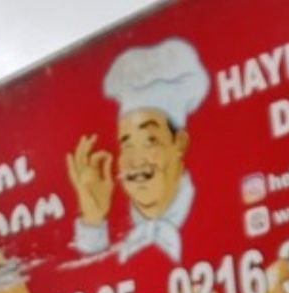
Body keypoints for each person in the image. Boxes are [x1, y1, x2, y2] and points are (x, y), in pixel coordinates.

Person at [67, 38, 209, 265]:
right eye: (126, 143)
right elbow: (87, 289)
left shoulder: (211, 210)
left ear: (179, 142)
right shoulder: (119, 234)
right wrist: (93, 219)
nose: (135, 161)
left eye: (150, 140)